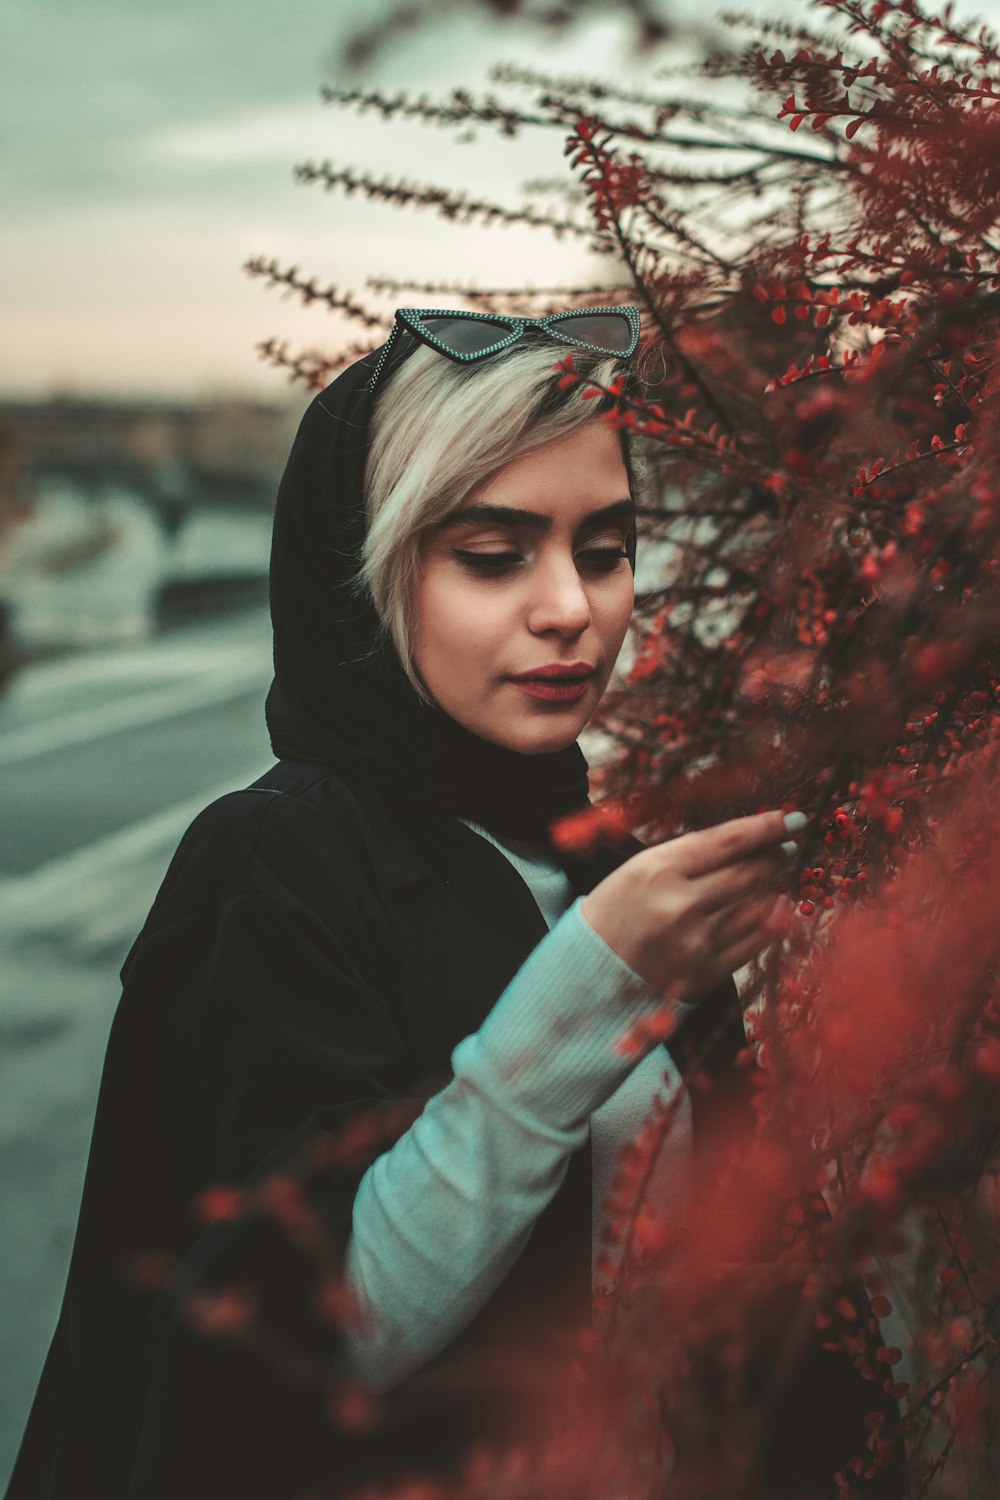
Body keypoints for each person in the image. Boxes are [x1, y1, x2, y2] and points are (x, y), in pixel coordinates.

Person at [5, 307, 868, 1500]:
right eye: (492, 554)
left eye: (604, 549)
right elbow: (305, 1339)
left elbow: (751, 1304)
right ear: (366, 571)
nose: (570, 605)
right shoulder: (274, 865)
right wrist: (589, 989)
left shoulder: (610, 863)